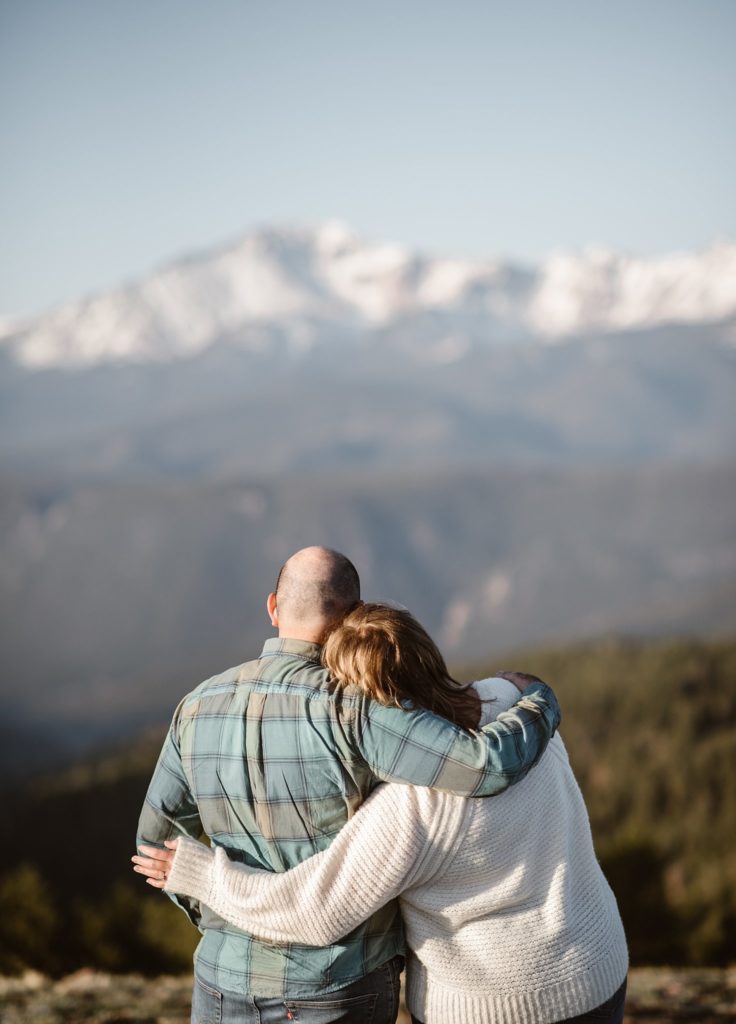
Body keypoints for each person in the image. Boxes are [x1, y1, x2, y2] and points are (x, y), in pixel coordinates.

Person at [135, 602, 627, 1024]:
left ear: (370, 700)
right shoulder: (512, 703)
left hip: (491, 1003)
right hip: (597, 965)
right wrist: (538, 692)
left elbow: (312, 912)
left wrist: (203, 877)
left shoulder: (416, 802)